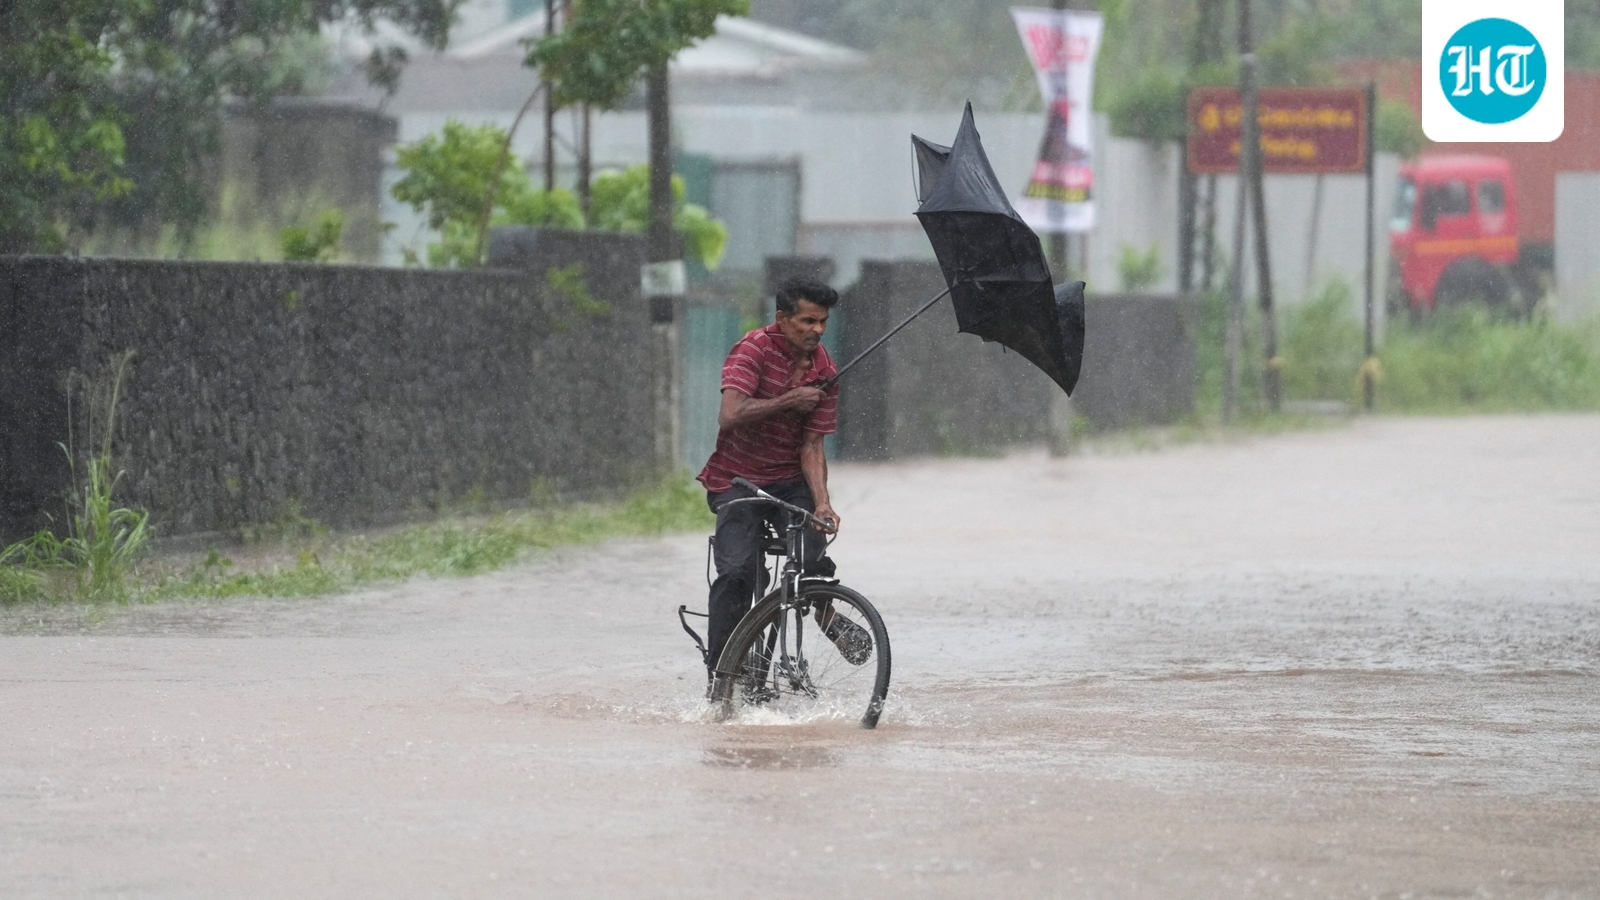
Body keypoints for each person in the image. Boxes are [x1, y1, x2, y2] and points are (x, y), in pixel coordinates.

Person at [696, 277, 854, 687]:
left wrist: (822, 502)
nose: (816, 330)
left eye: (822, 322)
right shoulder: (753, 350)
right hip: (738, 481)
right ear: (782, 319)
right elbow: (730, 415)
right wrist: (790, 400)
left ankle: (825, 611)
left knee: (812, 553)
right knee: (736, 574)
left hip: (789, 480)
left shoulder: (826, 370)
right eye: (806, 321)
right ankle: (722, 674)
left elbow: (812, 447)